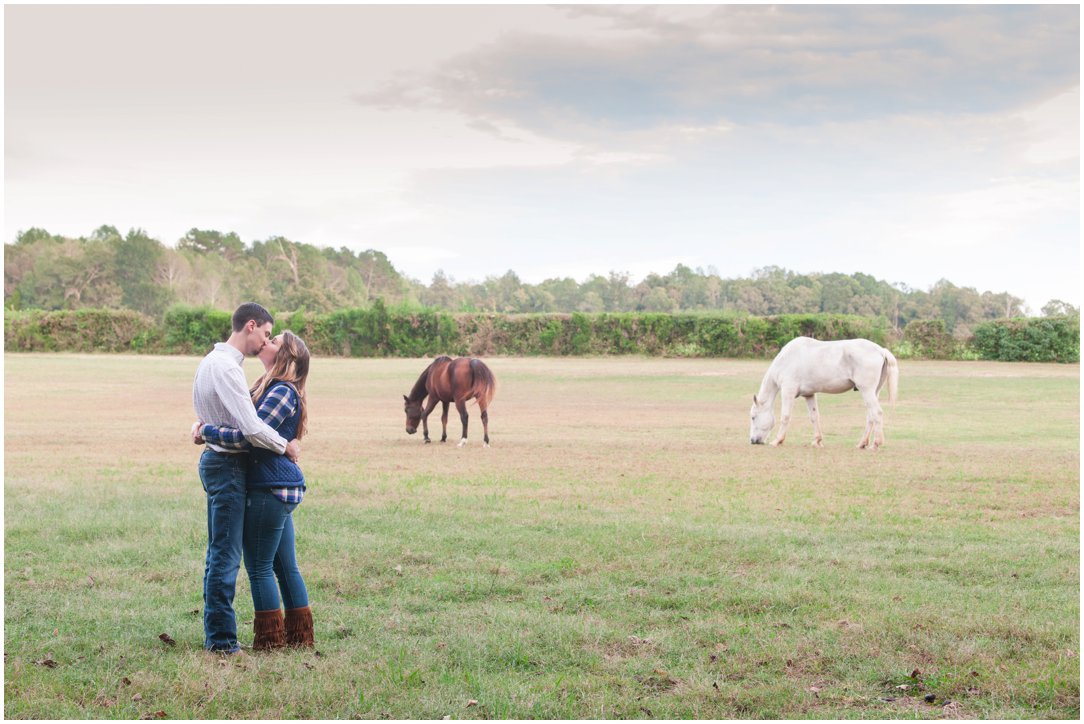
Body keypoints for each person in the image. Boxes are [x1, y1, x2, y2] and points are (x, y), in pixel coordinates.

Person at [192, 303, 301, 655]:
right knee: (225, 555)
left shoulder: (211, 362)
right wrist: (286, 446)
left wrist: (204, 431)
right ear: (250, 326)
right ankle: (222, 642)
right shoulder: (227, 368)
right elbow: (251, 429)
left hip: (219, 462)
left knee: (222, 554)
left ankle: (223, 635)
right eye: (266, 334)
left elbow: (232, 423)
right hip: (227, 467)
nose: (266, 341)